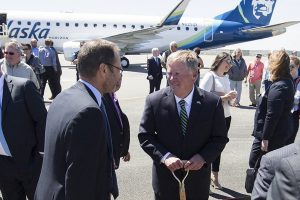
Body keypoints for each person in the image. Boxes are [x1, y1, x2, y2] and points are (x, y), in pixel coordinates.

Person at [35, 39, 121, 200]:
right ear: (103, 69)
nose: (119, 75)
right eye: (118, 69)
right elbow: (81, 183)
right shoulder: (89, 113)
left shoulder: (63, 96)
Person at [138, 50, 229, 200]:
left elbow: (219, 138)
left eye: (177, 74)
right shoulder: (154, 101)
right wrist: (165, 156)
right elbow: (145, 136)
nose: (171, 78)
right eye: (169, 73)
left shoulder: (212, 103)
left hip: (197, 182)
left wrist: (203, 157)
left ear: (194, 75)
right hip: (165, 182)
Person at [0, 68, 47, 200]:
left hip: (31, 161)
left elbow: (42, 120)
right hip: (3, 166)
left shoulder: (23, 86)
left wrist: (41, 155)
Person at [248, 50, 294, 171]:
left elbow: (272, 115)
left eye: (270, 61)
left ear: (276, 64)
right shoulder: (284, 81)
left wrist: (265, 138)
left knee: (256, 164)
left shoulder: (280, 86)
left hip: (271, 136)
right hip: (273, 133)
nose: (268, 64)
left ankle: (259, 189)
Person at [200, 52, 236, 190]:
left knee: (219, 148)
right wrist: (224, 97)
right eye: (227, 61)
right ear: (219, 60)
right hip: (212, 117)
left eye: (230, 62)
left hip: (226, 116)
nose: (229, 64)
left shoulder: (226, 78)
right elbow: (202, 97)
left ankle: (215, 176)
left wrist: (232, 99)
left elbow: (226, 96)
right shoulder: (210, 76)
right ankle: (204, 178)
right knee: (209, 147)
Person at [103, 75, 130, 169]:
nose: (118, 83)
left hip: (116, 151)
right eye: (116, 79)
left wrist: (124, 149)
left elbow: (119, 123)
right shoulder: (103, 99)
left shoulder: (112, 96)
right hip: (108, 158)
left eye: (120, 79)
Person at [287, 57, 300, 145]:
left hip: (293, 115)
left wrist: (284, 99)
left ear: (298, 66)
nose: (290, 68)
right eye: (288, 66)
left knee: (289, 142)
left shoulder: (298, 81)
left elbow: (297, 100)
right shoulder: (285, 79)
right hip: (283, 114)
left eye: (292, 66)